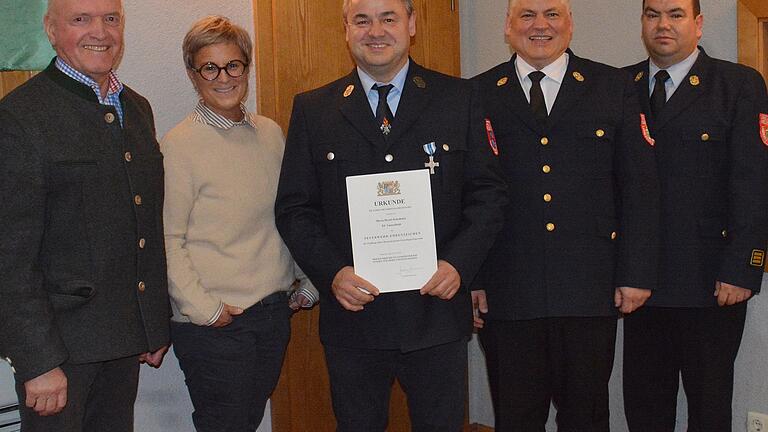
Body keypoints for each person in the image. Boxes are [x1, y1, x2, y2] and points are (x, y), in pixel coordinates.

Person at [274, 0, 507, 430]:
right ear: (346, 29)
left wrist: (460, 265)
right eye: (362, 20)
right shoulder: (315, 109)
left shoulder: (460, 98)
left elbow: (488, 195)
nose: (375, 31)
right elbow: (294, 209)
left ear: (412, 25)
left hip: (435, 314)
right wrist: (332, 274)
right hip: (355, 321)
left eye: (388, 18)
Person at [471, 0, 660, 430]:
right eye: (527, 15)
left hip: (589, 292)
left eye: (552, 14)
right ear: (508, 25)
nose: (541, 25)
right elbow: (467, 195)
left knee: (587, 417)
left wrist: (636, 272)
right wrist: (474, 277)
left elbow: (640, 187)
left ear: (570, 24)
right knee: (516, 418)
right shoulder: (477, 93)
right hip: (508, 291)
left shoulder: (614, 87)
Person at [0, 0, 170, 430]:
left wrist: (151, 324)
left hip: (123, 340)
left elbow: (143, 223)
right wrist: (36, 362)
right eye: (81, 19)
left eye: (111, 19)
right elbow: (9, 257)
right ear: (51, 31)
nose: (100, 31)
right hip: (59, 356)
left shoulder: (137, 107)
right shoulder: (19, 116)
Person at [161, 15, 318, 432]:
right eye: (209, 67)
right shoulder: (178, 147)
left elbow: (287, 214)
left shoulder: (269, 133)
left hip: (272, 313)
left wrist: (306, 281)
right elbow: (167, 239)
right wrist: (206, 311)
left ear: (247, 68)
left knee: (246, 422)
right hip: (216, 324)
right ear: (193, 74)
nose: (224, 77)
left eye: (234, 65)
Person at [622, 1, 768, 430]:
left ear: (698, 24)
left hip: (712, 282)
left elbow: (754, 180)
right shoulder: (621, 86)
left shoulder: (738, 85)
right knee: (645, 409)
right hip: (640, 283)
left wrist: (745, 266)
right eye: (652, 15)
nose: (663, 24)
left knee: (708, 410)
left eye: (676, 14)